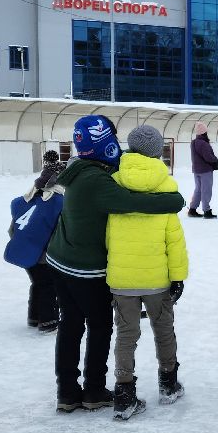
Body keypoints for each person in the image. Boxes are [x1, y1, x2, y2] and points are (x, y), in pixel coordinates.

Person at [45, 116, 185, 412]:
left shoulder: (80, 167)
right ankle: (94, 390)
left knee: (70, 326)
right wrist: (174, 201)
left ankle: (67, 393)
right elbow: (137, 203)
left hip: (61, 260)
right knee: (99, 327)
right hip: (84, 268)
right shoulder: (97, 180)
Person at [107, 125, 188, 419]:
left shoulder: (114, 183)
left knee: (126, 334)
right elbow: (174, 240)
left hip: (122, 279)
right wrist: (178, 277)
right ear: (157, 152)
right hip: (157, 279)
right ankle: (168, 384)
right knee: (163, 329)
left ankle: (124, 393)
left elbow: (107, 237)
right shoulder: (165, 186)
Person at [5, 155, 66, 331]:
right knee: (48, 285)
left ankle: (34, 317)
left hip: (24, 250)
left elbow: (12, 230)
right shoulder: (58, 202)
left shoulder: (27, 199)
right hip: (43, 254)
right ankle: (48, 322)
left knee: (38, 283)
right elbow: (60, 231)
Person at [187, 121, 218, 219]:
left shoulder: (193, 143)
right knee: (206, 190)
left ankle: (192, 209)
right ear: (204, 132)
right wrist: (216, 162)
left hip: (196, 170)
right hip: (205, 170)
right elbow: (208, 157)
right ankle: (207, 211)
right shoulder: (203, 144)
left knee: (198, 190)